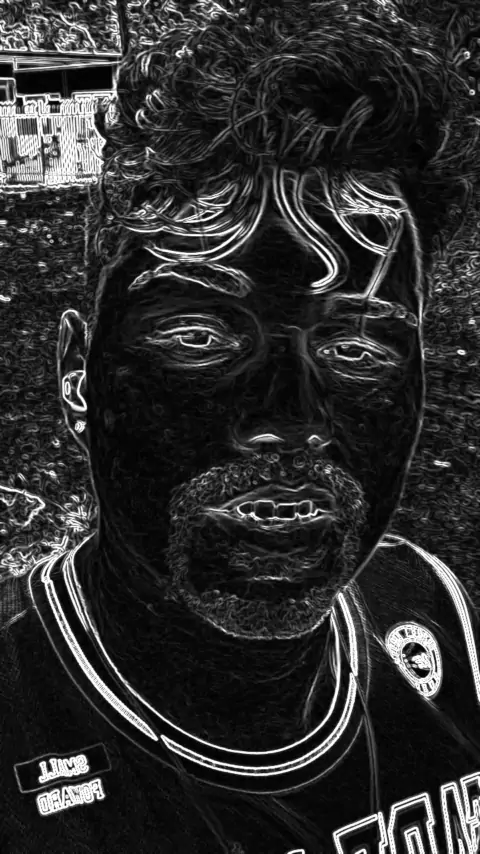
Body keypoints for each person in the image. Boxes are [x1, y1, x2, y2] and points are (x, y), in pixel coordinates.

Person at [2, 1, 480, 852]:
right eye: (198, 338)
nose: (288, 422)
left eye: (357, 347)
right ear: (79, 374)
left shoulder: (430, 610)